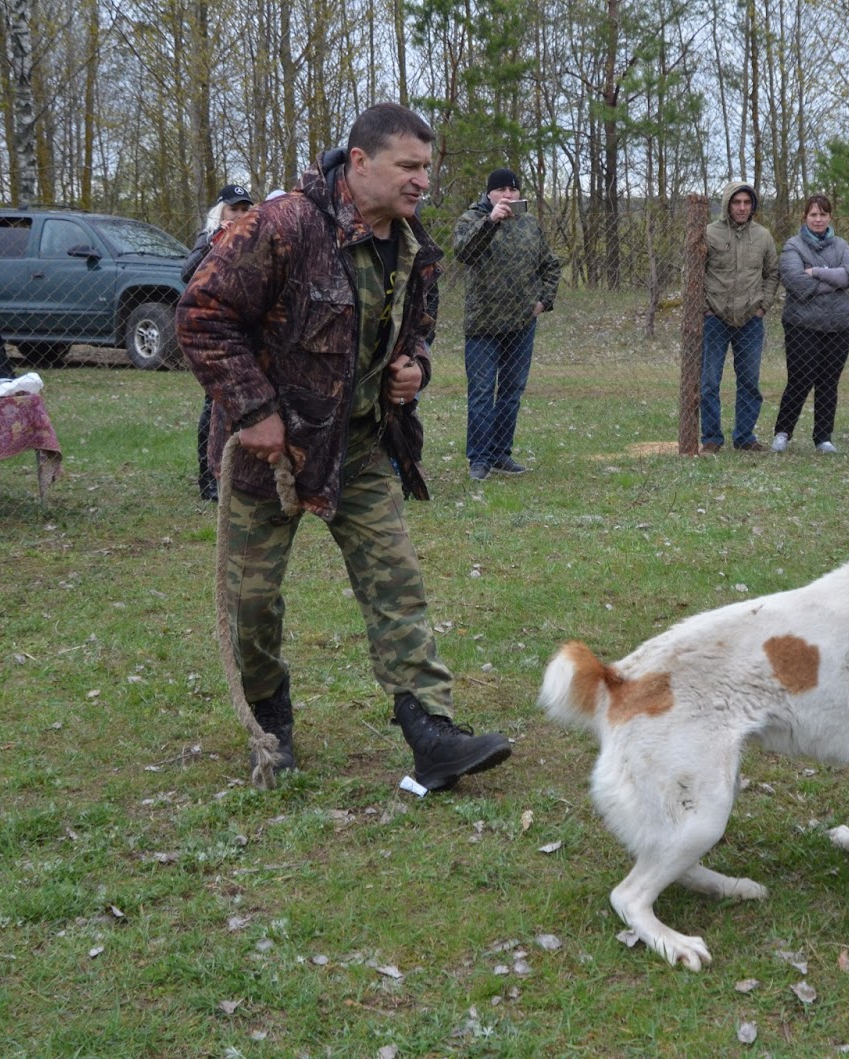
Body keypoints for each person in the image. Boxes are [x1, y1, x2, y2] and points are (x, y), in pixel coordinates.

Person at [176, 103, 511, 793]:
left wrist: (415, 368)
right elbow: (202, 314)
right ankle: (271, 723)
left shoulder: (414, 245)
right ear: (359, 162)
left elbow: (418, 329)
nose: (423, 181)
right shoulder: (283, 226)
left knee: (397, 583)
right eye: (408, 166)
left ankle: (431, 731)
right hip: (269, 456)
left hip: (358, 444)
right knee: (252, 605)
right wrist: (254, 410)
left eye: (427, 167)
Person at [452, 167, 561, 481]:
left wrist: (543, 301)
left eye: (513, 190)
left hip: (521, 324)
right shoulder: (471, 220)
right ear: (489, 193)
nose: (508, 195)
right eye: (501, 190)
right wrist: (490, 222)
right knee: (482, 392)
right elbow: (464, 253)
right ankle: (479, 459)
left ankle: (500, 454)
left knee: (511, 391)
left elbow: (551, 265)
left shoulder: (529, 224)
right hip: (483, 324)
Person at [770, 194, 849, 455]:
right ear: (805, 217)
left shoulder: (841, 245)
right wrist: (835, 280)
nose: (818, 219)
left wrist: (817, 272)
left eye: (823, 214)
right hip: (802, 326)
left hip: (838, 326)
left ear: (830, 217)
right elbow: (796, 283)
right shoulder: (793, 246)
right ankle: (783, 433)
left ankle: (823, 437)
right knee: (800, 380)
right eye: (813, 214)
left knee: (828, 382)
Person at [182, 183, 254, 501]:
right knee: (214, 403)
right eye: (233, 209)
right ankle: (208, 479)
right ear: (221, 210)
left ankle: (240, 474)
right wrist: (215, 244)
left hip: (247, 328)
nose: (238, 215)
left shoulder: (255, 237)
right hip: (214, 330)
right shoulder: (210, 236)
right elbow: (187, 273)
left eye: (244, 209)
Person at [700, 180, 779, 453]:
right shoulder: (708, 233)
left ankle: (745, 437)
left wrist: (763, 307)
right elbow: (692, 273)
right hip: (715, 318)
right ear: (727, 204)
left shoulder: (763, 236)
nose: (742, 207)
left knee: (749, 381)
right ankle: (711, 438)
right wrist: (705, 308)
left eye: (747, 202)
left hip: (750, 320)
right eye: (737, 202)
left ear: (753, 205)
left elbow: (772, 274)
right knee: (709, 382)